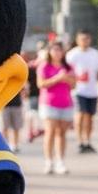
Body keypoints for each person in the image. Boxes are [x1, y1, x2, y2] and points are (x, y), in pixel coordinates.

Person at [38, 40, 75, 175]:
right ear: (49, 52)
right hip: (49, 103)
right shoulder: (44, 66)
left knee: (62, 133)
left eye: (59, 50)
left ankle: (60, 161)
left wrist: (66, 78)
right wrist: (58, 78)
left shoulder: (68, 66)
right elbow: (41, 84)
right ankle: (49, 162)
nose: (57, 53)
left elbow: (73, 85)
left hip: (66, 104)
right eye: (54, 50)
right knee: (50, 132)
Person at [65, 30, 98, 153]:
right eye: (82, 39)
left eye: (87, 39)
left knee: (90, 117)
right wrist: (76, 78)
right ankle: (80, 141)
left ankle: (88, 141)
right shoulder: (72, 55)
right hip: (78, 90)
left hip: (92, 90)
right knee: (80, 115)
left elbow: (97, 73)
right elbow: (66, 72)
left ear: (90, 40)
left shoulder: (95, 54)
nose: (84, 41)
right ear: (77, 40)